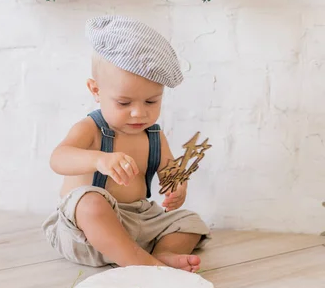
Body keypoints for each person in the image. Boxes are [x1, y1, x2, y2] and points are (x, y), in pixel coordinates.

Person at [42, 15, 210, 272]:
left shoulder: (154, 136)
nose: (138, 113)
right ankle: (146, 265)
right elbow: (58, 158)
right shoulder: (91, 129)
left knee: (190, 222)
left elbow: (169, 173)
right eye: (124, 103)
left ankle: (161, 254)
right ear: (96, 91)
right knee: (90, 203)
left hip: (138, 223)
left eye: (151, 102)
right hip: (86, 233)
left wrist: (177, 187)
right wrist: (99, 159)